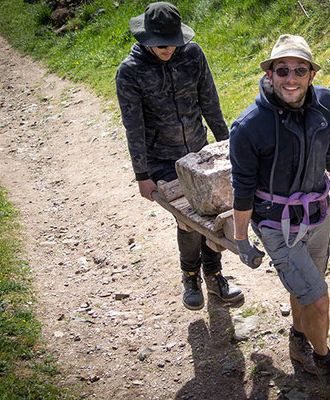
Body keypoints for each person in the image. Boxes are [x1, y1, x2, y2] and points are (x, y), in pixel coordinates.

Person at [229, 34, 330, 400]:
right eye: (281, 70)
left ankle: (299, 341)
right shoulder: (249, 126)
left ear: (311, 74)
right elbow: (242, 190)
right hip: (276, 224)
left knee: (307, 287)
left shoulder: (325, 103)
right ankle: (324, 362)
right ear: (269, 74)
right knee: (318, 299)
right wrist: (241, 239)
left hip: (317, 215)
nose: (290, 78)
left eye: (299, 70)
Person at [115, 1, 243, 311]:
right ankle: (190, 276)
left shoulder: (193, 55)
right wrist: (142, 176)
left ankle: (214, 275)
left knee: (213, 214)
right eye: (160, 44)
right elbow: (134, 127)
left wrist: (227, 148)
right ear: (145, 38)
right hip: (163, 160)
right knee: (188, 221)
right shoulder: (130, 73)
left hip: (200, 153)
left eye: (172, 42)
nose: (167, 49)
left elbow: (210, 102)